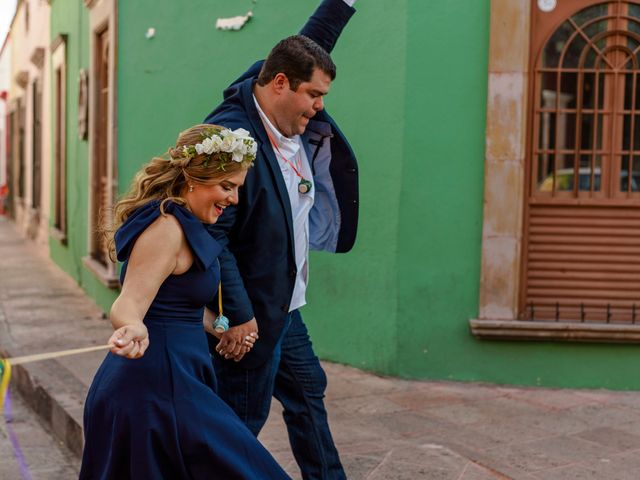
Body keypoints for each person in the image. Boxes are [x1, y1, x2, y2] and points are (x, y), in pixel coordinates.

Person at [79, 124, 290, 479]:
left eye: (237, 189)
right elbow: (129, 303)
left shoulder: (186, 223)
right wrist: (131, 327)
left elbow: (175, 303)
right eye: (227, 187)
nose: (234, 199)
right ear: (193, 178)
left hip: (177, 379)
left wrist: (219, 327)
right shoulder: (166, 230)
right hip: (155, 389)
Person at [203, 1, 359, 478]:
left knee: (308, 392)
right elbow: (213, 237)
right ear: (279, 85)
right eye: (313, 95)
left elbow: (309, 44)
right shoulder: (236, 139)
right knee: (238, 425)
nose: (320, 107)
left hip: (284, 306)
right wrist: (237, 317)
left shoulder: (278, 89)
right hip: (253, 313)